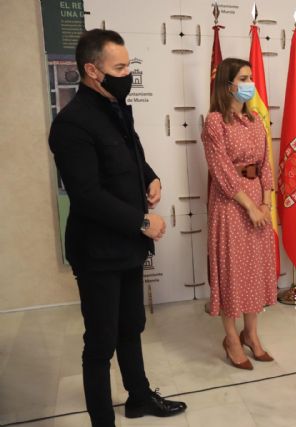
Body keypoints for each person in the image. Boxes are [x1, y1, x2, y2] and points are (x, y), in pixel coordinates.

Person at [48, 29, 186, 427]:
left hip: (128, 244)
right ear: (93, 70)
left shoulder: (116, 108)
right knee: (100, 341)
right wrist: (143, 221)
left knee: (131, 326)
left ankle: (139, 397)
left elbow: (131, 155)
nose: (128, 75)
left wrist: (151, 176)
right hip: (98, 251)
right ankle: (102, 421)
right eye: (120, 68)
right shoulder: (72, 124)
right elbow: (87, 195)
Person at [202, 57, 277, 370]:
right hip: (231, 204)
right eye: (243, 79)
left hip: (258, 200)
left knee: (255, 269)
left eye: (251, 78)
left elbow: (265, 165)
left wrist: (266, 204)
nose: (250, 85)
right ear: (228, 85)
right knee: (233, 271)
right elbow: (221, 171)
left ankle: (252, 335)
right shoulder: (215, 122)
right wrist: (249, 207)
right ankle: (232, 338)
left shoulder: (256, 120)